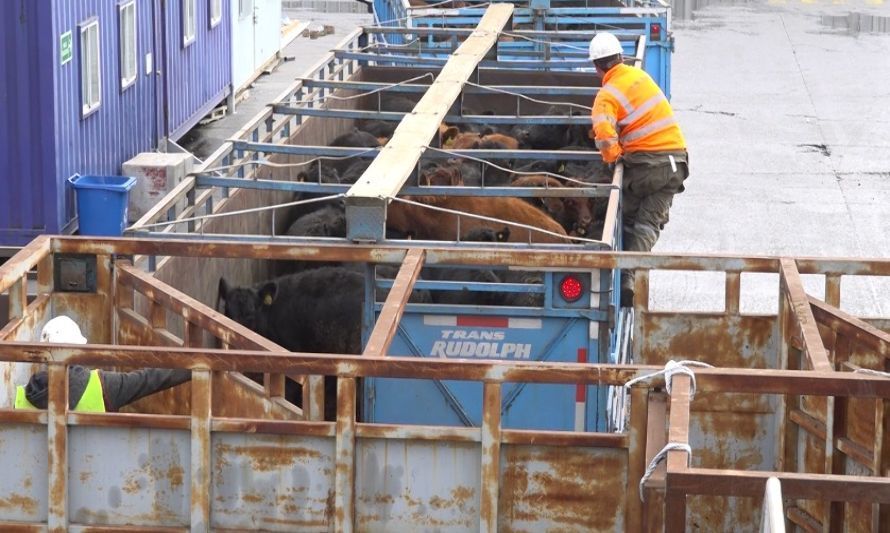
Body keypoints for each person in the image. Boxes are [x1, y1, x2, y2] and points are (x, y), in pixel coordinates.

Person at [588, 32, 689, 306]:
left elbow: (606, 138)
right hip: (676, 163)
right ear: (621, 57)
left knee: (628, 218)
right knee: (650, 223)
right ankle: (630, 275)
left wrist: (614, 157)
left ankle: (622, 278)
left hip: (646, 166)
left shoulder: (605, 96)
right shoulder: (641, 77)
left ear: (597, 67)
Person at [15, 316, 191, 412]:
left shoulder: (22, 397)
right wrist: (195, 364)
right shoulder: (104, 385)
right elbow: (149, 379)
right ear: (80, 351)